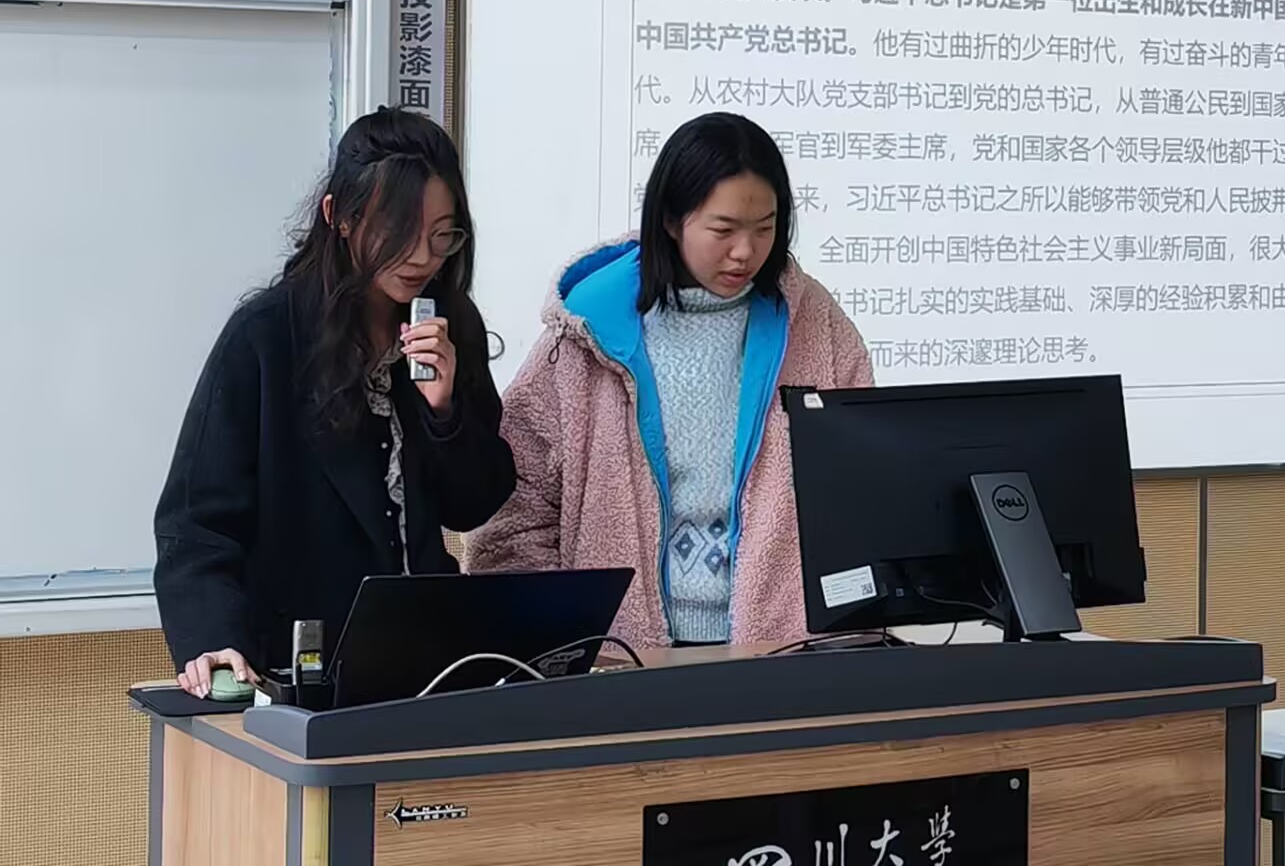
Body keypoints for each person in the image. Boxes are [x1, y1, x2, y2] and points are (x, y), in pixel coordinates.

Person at [466, 112, 873, 648]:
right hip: (620, 657)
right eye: (723, 230)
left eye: (765, 227)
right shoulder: (587, 331)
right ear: (671, 220)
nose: (746, 251)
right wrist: (559, 636)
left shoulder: (815, 324)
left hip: (780, 652)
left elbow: (861, 492)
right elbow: (519, 510)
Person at [154, 108, 516, 696]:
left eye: (442, 235)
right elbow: (196, 522)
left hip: (431, 660)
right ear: (339, 217)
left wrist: (445, 414)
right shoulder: (266, 337)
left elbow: (473, 505)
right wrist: (213, 638)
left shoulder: (451, 326)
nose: (423, 257)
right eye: (399, 231)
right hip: (305, 664)